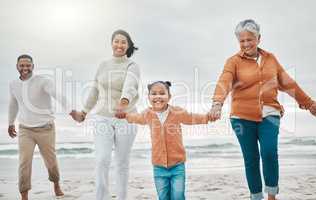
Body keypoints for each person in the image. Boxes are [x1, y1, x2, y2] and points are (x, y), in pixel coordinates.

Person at [208, 19, 316, 200]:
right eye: (241, 41)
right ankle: (256, 197)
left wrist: (310, 103)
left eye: (250, 39)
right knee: (251, 159)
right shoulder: (233, 62)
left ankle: (272, 196)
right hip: (241, 117)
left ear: (259, 38)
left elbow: (288, 83)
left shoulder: (271, 59)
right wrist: (217, 103)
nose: (246, 44)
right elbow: (224, 81)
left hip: (270, 114)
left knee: (269, 153)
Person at [70, 29, 140, 200]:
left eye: (124, 42)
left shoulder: (132, 65)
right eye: (116, 41)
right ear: (111, 43)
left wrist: (123, 103)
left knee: (122, 163)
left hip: (126, 118)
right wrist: (84, 112)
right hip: (102, 117)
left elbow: (130, 85)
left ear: (128, 45)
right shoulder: (103, 65)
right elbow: (95, 90)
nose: (119, 45)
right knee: (102, 159)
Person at [116, 81, 212, 200]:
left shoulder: (177, 112)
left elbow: (192, 118)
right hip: (159, 167)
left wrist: (208, 117)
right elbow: (137, 118)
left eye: (162, 93)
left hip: (177, 166)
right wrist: (125, 115)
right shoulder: (148, 114)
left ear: (169, 96)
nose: (158, 97)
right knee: (163, 197)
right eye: (154, 94)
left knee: (178, 196)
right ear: (149, 97)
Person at [8, 54, 67, 200]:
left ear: (33, 66)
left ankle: (56, 184)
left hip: (45, 129)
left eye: (28, 65)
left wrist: (71, 110)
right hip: (25, 130)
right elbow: (13, 103)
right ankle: (24, 195)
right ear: (17, 67)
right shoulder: (13, 84)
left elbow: (57, 94)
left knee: (51, 162)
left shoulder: (43, 81)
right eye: (22, 65)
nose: (25, 68)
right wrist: (10, 122)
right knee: (24, 162)